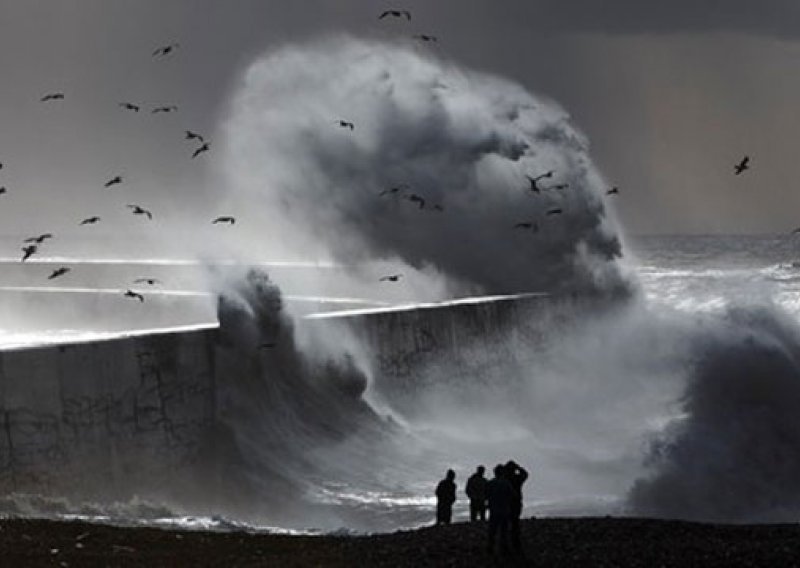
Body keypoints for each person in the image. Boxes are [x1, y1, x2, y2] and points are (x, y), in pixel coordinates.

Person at [485, 464, 514, 554]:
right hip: (504, 509)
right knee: (503, 530)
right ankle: (503, 547)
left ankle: (490, 547)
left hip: (494, 509)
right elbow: (512, 495)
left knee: (492, 529)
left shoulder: (490, 483)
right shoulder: (506, 483)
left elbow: (486, 494)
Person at [505, 460, 529, 552]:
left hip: (507, 503)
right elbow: (525, 474)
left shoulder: (506, 478)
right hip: (515, 502)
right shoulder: (517, 478)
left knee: (506, 524)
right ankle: (515, 543)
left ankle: (507, 543)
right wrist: (518, 467)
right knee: (515, 523)